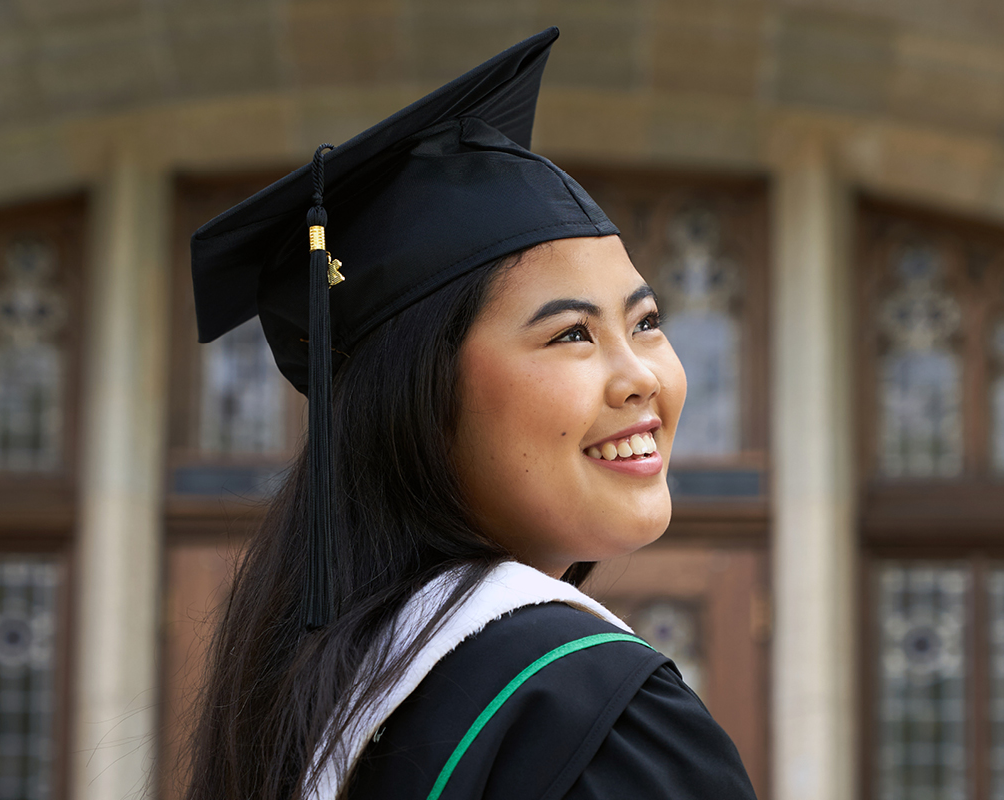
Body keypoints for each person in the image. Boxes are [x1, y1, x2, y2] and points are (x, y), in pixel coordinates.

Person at [186, 27, 758, 800]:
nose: (640, 378)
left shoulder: (320, 707)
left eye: (648, 322)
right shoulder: (590, 715)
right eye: (572, 334)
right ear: (419, 400)